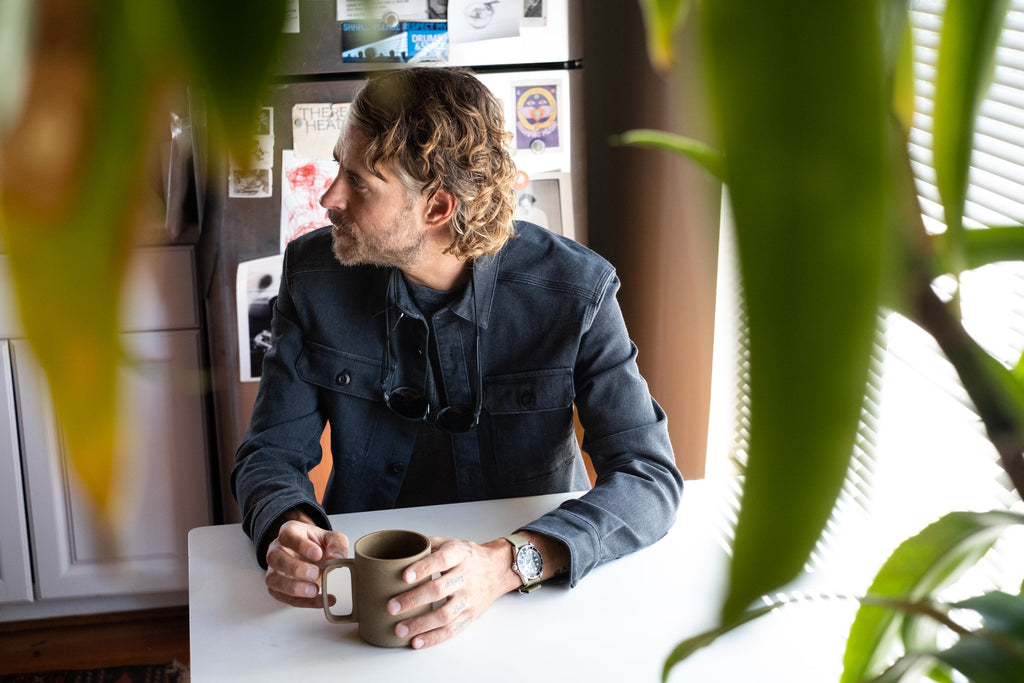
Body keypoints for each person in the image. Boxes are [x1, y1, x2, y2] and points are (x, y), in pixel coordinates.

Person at [232, 66, 683, 650]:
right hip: (368, 602)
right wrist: (285, 526)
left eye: (358, 182)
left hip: (536, 596)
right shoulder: (312, 276)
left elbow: (649, 477)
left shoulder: (577, 292)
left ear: (438, 207)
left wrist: (507, 563)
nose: (328, 199)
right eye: (338, 168)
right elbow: (270, 453)